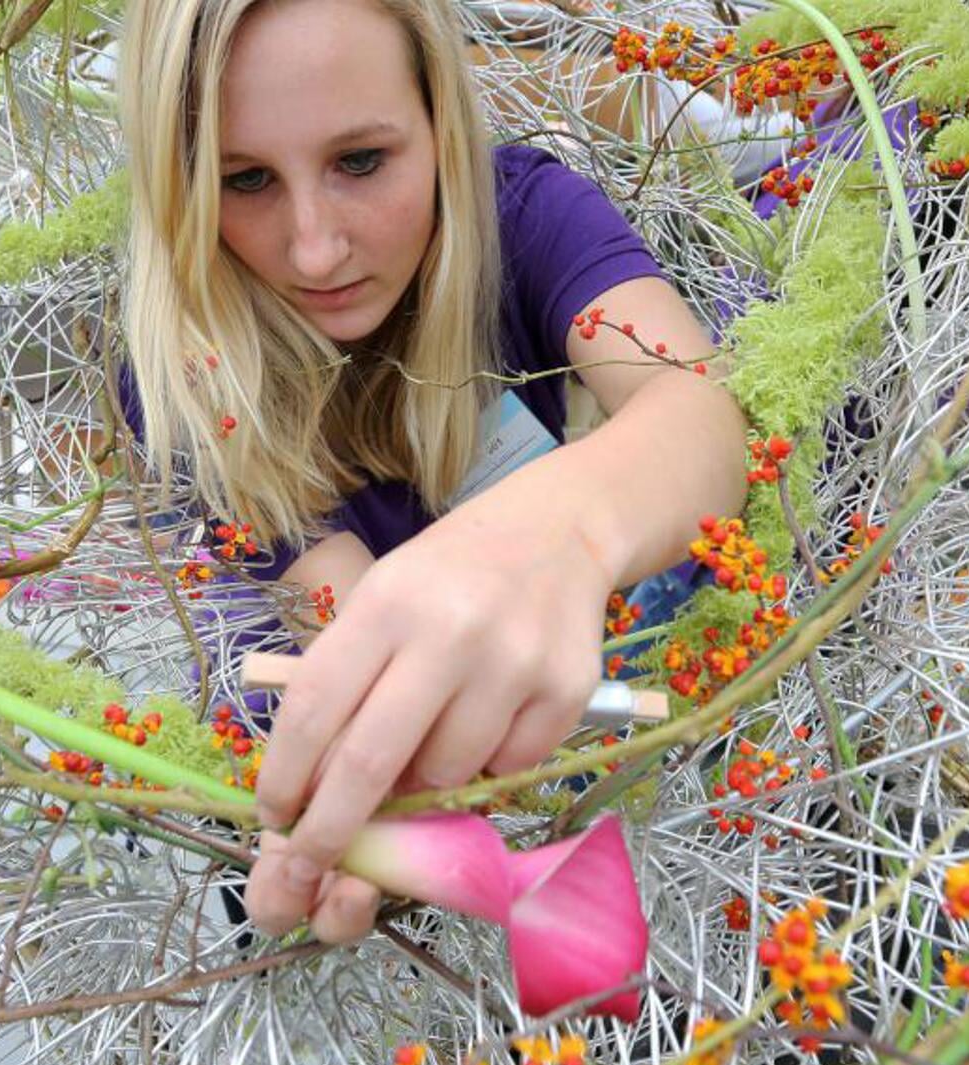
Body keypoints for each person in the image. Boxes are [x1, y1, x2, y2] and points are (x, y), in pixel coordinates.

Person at [118, 0, 748, 945]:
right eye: (243, 180)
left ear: (440, 118)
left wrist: (555, 538)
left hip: (602, 720)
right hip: (331, 763)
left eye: (361, 162)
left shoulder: (523, 216)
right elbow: (343, 625)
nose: (314, 248)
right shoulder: (178, 364)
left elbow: (699, 412)